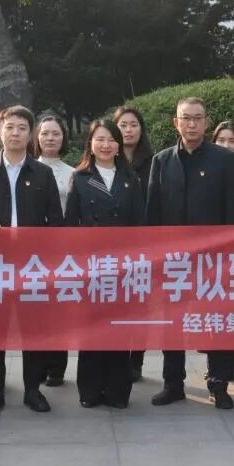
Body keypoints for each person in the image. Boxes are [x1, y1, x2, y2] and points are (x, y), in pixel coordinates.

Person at [145, 97, 234, 409]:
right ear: (176, 122)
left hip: (214, 260)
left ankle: (219, 384)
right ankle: (173, 384)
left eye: (197, 118)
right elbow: (153, 213)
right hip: (173, 261)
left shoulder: (224, 160)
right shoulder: (162, 161)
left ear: (206, 122)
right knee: (172, 323)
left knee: (217, 322)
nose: (191, 124)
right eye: (185, 118)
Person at [0, 105, 65, 414]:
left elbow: (56, 219)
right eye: (10, 127)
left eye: (22, 128)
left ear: (30, 133)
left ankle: (32, 390)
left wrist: (43, 246)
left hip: (31, 265)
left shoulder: (42, 173)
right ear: (0, 131)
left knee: (32, 330)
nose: (15, 133)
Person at [65, 119, 144, 409]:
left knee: (119, 329)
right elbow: (70, 225)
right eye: (100, 139)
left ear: (119, 145)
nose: (106, 145)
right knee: (92, 329)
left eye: (111, 140)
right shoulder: (80, 177)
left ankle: (117, 390)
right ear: (91, 144)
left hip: (123, 267)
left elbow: (140, 224)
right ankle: (90, 389)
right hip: (92, 267)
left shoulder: (130, 178)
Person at [33, 115, 76, 387]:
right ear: (37, 137)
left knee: (59, 310)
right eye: (45, 133)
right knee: (36, 311)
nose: (50, 138)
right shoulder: (28, 169)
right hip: (33, 252)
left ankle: (57, 368)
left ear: (63, 138)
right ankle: (37, 365)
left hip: (62, 250)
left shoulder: (73, 173)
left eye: (56, 133)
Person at [113, 105, 154, 382]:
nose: (128, 130)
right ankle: (115, 358)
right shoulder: (106, 159)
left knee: (139, 305)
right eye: (123, 125)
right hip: (111, 248)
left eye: (133, 125)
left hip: (144, 245)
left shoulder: (154, 162)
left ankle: (135, 360)